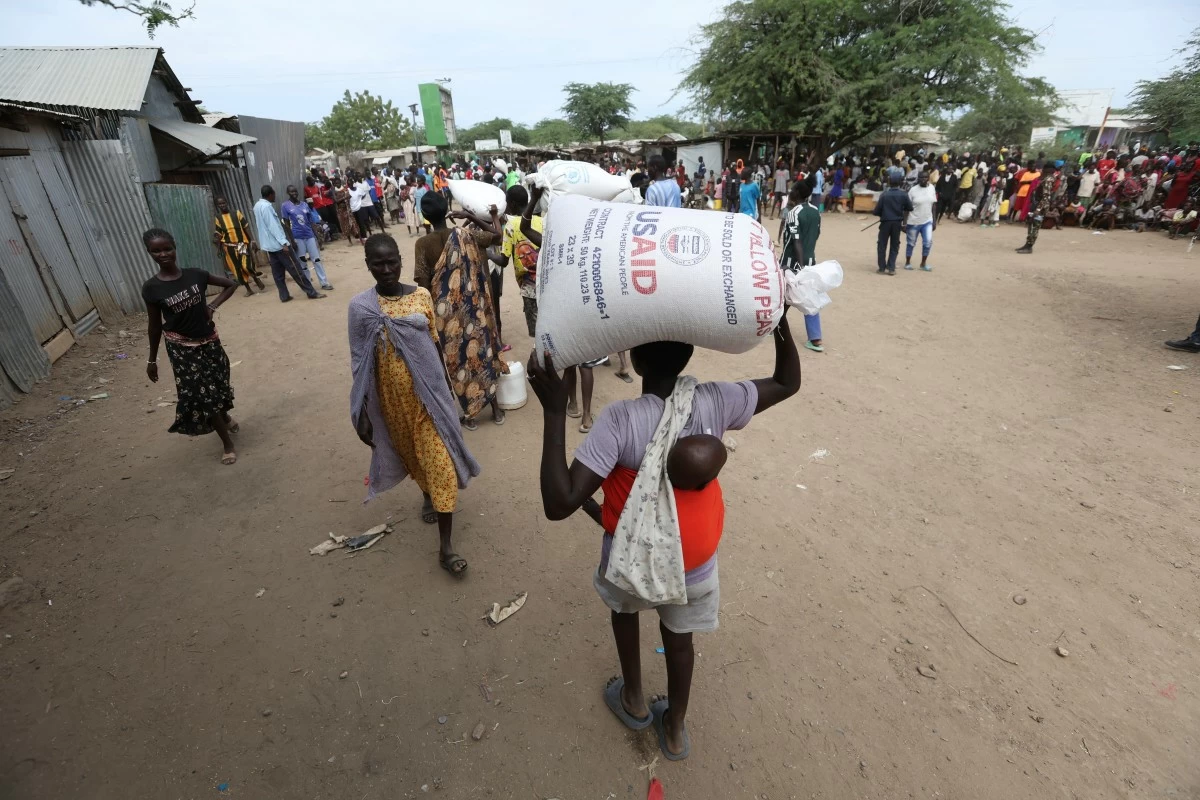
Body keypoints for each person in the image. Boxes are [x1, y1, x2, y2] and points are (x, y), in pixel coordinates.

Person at [526, 314, 802, 762]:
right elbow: (786, 382)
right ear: (690, 351)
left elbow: (559, 503)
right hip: (695, 563)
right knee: (679, 639)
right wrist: (782, 319)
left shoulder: (620, 421)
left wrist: (556, 411)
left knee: (625, 610)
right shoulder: (715, 401)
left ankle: (633, 698)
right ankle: (674, 728)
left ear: (634, 358)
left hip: (629, 557)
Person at [348, 233, 481, 576]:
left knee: (440, 463)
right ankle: (426, 493)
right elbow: (360, 360)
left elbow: (434, 345)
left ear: (401, 260)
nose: (387, 269)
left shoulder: (421, 296)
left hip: (428, 401)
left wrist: (446, 391)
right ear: (369, 266)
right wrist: (362, 412)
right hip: (393, 404)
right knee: (412, 454)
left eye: (392, 261)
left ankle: (446, 548)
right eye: (379, 263)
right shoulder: (361, 308)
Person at [141, 228, 240, 465]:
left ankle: (224, 415)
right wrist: (152, 360)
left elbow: (230, 284)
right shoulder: (152, 288)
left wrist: (212, 306)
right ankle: (227, 443)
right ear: (149, 253)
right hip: (182, 348)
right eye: (156, 251)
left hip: (209, 342)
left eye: (167, 248)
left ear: (175, 248)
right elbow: (154, 326)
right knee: (203, 395)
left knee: (218, 384)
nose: (163, 254)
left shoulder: (196, 275)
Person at [413, 190, 506, 430]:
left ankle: (471, 414)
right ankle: (496, 410)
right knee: (483, 353)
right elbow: (497, 236)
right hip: (476, 309)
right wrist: (471, 217)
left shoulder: (423, 244)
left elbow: (423, 284)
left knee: (460, 360)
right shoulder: (466, 234)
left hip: (447, 318)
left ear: (424, 215)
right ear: (447, 210)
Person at [253, 185, 326, 302]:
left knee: (277, 274)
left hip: (269, 246)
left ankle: (284, 296)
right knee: (296, 269)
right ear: (270, 194)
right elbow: (273, 226)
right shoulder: (266, 207)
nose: (275, 196)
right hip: (278, 245)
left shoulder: (257, 206)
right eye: (274, 194)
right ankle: (311, 292)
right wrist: (284, 243)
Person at [778, 179, 825, 352]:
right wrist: (807, 263)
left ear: (797, 193)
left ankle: (773, 326)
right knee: (809, 298)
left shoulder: (793, 213)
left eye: (792, 190)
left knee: (781, 294)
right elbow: (816, 235)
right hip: (810, 261)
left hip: (792, 261)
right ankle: (815, 339)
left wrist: (800, 266)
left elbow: (796, 242)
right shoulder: (815, 211)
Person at [281, 185, 334, 291]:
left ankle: (324, 282)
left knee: (317, 260)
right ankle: (308, 284)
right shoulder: (285, 206)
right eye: (292, 192)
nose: (294, 193)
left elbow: (311, 222)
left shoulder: (304, 205)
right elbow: (286, 224)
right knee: (302, 263)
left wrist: (317, 236)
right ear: (288, 193)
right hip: (297, 238)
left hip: (309, 236)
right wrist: (291, 240)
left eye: (295, 191)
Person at [212, 197, 264, 296]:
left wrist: (252, 240)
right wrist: (218, 247)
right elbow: (219, 233)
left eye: (223, 203)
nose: (222, 205)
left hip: (241, 245)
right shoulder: (218, 218)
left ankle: (255, 278)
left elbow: (246, 227)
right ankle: (248, 289)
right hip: (229, 247)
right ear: (217, 206)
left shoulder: (237, 213)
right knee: (237, 269)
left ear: (227, 202)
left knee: (246, 265)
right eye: (220, 204)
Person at [874, 169, 912, 275]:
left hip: (885, 223)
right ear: (900, 182)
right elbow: (909, 208)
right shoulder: (904, 195)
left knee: (882, 245)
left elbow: (876, 211)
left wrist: (883, 213)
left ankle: (881, 268)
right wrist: (904, 221)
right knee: (894, 245)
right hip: (897, 223)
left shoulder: (884, 195)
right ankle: (891, 268)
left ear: (890, 182)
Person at [904, 170, 937, 271]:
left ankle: (923, 263)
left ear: (928, 178)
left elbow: (934, 205)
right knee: (911, 243)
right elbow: (906, 208)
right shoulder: (913, 190)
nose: (923, 179)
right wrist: (904, 223)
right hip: (913, 221)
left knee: (927, 243)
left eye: (926, 177)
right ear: (918, 178)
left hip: (927, 220)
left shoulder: (932, 188)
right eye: (921, 177)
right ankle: (907, 262)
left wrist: (934, 220)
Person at [1016, 174, 1052, 254]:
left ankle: (1029, 247)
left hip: (1039, 210)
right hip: (1034, 207)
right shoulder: (1041, 183)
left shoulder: (1047, 183)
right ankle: (1027, 244)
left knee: (1035, 228)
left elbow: (1045, 198)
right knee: (1030, 225)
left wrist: (1038, 210)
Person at [331, 177, 361, 246]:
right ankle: (350, 241)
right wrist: (344, 198)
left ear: (340, 182)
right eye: (335, 183)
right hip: (340, 211)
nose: (337, 184)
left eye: (338, 182)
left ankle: (360, 238)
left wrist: (344, 198)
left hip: (347, 209)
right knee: (345, 225)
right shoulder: (334, 191)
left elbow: (349, 196)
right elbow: (336, 201)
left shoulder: (345, 189)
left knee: (354, 224)